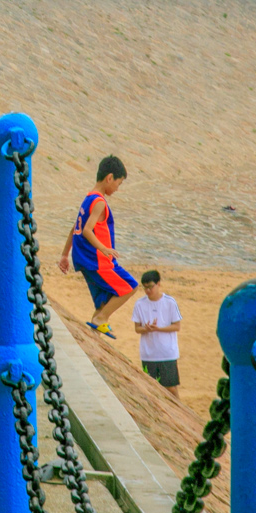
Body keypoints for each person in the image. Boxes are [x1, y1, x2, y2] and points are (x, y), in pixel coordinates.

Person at [58, 156, 135, 337]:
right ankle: (101, 320)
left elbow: (74, 229)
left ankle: (96, 333)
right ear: (109, 178)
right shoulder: (99, 202)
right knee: (130, 286)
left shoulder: (88, 198)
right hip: (97, 261)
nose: (118, 188)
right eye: (119, 183)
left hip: (84, 259)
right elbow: (86, 230)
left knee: (103, 304)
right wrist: (104, 249)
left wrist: (64, 255)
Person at [131, 269, 182, 395]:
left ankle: (178, 413)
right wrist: (146, 329)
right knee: (151, 389)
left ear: (158, 284)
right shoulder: (139, 304)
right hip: (148, 354)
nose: (148, 290)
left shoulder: (169, 302)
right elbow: (137, 329)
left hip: (167, 353)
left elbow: (176, 326)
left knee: (170, 388)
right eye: (145, 287)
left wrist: (159, 328)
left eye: (150, 287)